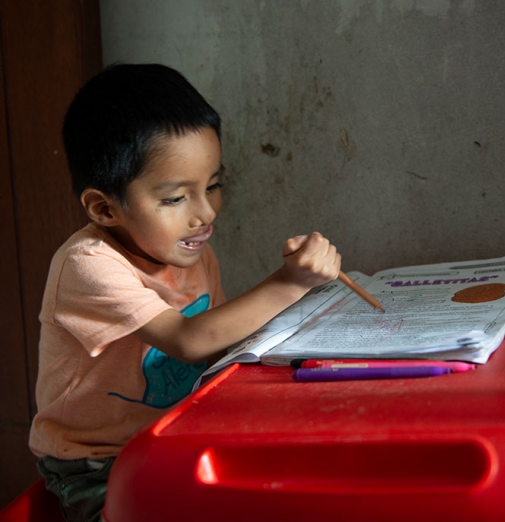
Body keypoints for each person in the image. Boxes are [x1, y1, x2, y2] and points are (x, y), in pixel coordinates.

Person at [28, 63, 342, 522]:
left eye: (213, 186)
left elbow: (219, 344)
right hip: (98, 464)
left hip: (175, 436)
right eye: (175, 199)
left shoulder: (190, 255)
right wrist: (290, 284)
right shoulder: (88, 265)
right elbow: (188, 339)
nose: (205, 213)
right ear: (104, 206)